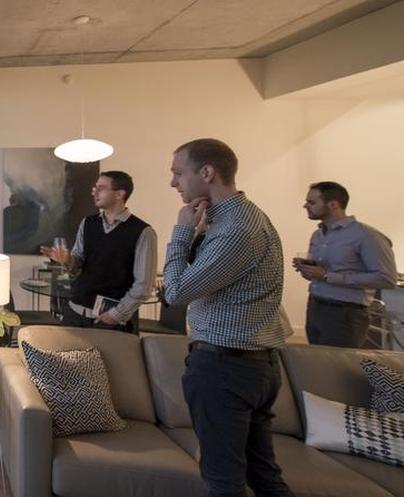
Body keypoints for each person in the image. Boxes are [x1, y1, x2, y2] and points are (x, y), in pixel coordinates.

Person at [163, 138, 290, 497]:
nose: (174, 183)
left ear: (207, 172)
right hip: (248, 363)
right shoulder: (234, 220)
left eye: (177, 173)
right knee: (263, 476)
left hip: (227, 367)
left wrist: (182, 232)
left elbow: (175, 293)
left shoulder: (236, 229)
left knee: (223, 481)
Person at [40, 170, 156, 333]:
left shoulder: (143, 232)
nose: (94, 192)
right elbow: (78, 264)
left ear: (119, 194)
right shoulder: (87, 223)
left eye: (101, 188)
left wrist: (115, 315)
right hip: (74, 315)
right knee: (65, 358)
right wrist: (67, 260)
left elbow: (143, 286)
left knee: (111, 360)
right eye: (95, 187)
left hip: (111, 321)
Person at [293, 181, 396, 348]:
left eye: (312, 202)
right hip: (315, 306)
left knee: (339, 369)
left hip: (345, 313)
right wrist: (307, 270)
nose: (305, 206)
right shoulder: (318, 235)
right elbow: (320, 274)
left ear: (333, 204)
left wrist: (327, 276)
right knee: (318, 365)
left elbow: (386, 278)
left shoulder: (366, 235)